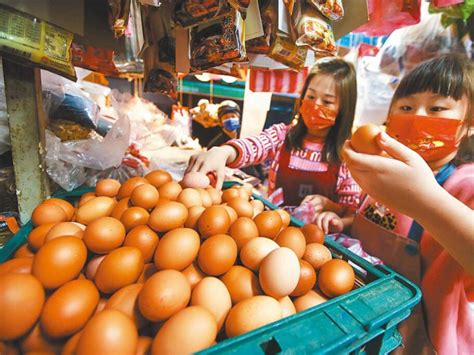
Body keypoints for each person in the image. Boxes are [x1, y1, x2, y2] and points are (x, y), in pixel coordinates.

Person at [327, 54, 473, 354]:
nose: (418, 116)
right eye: (406, 107)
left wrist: (424, 200)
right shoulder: (387, 170)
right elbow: (383, 226)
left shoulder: (465, 183)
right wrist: (345, 221)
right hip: (363, 321)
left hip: (420, 339)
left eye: (437, 108)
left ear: (468, 126)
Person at [186, 58, 361, 222]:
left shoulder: (348, 158)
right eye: (311, 97)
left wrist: (331, 208)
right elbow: (255, 146)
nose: (316, 105)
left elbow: (351, 213)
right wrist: (224, 152)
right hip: (273, 229)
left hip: (321, 245)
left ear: (344, 109)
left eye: (327, 102)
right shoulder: (282, 136)